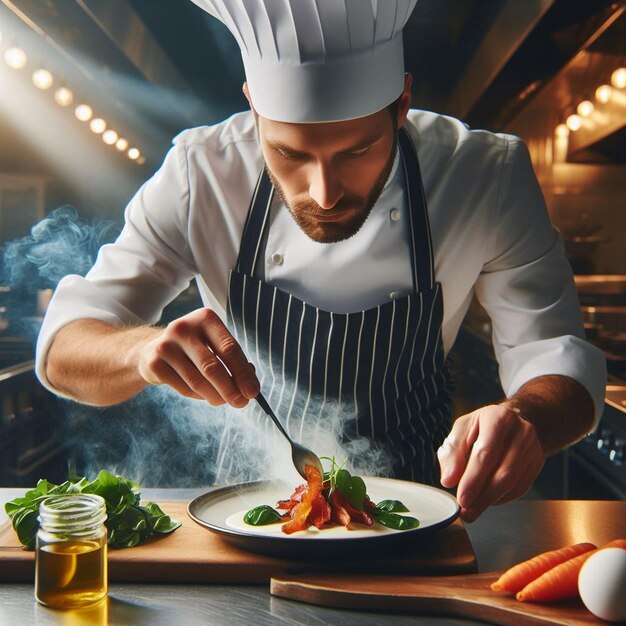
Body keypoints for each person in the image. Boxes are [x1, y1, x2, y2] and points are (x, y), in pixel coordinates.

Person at [35, 0, 606, 522]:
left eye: (357, 151)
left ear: (402, 104)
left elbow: (553, 356)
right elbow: (64, 348)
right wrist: (140, 350)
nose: (324, 192)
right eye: (288, 152)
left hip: (419, 518)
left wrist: (526, 419)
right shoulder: (200, 172)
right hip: (243, 515)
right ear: (254, 107)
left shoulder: (484, 176)